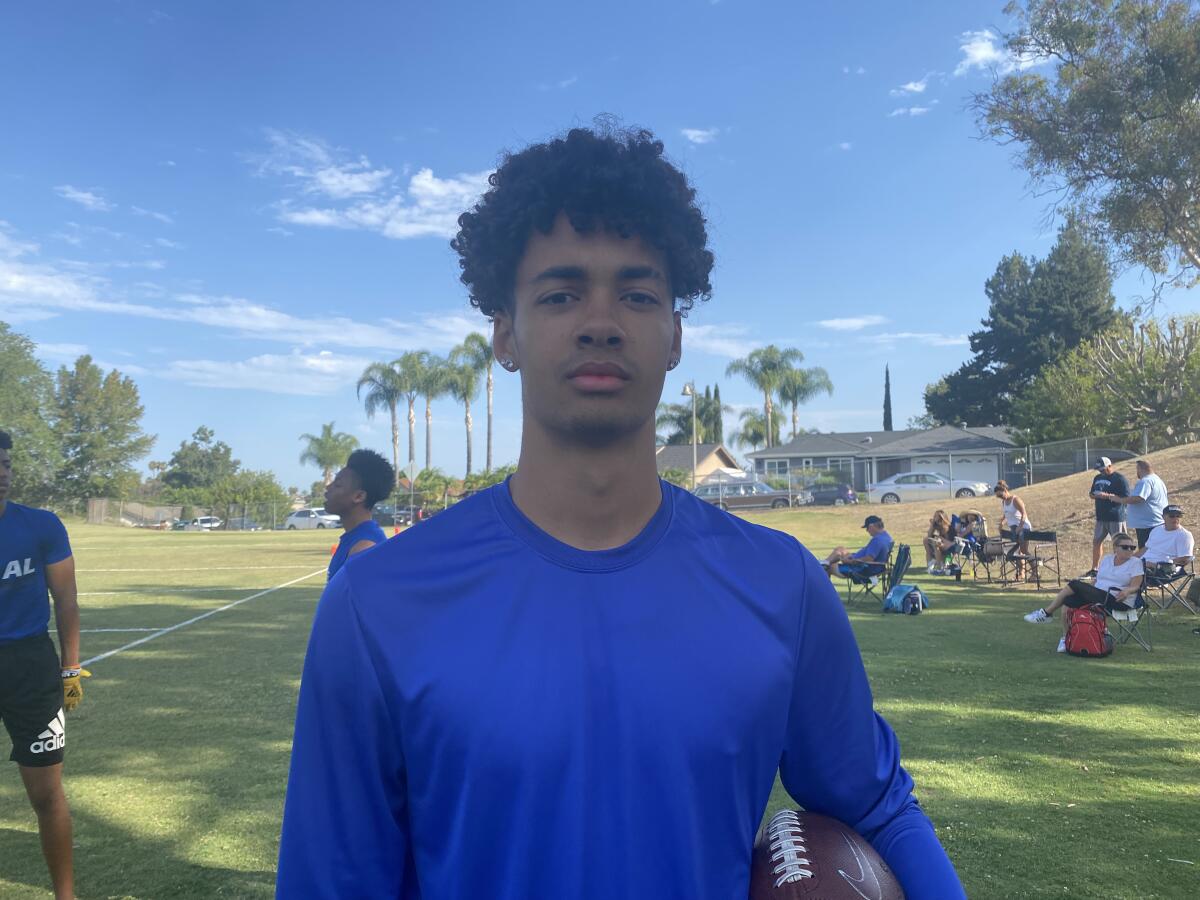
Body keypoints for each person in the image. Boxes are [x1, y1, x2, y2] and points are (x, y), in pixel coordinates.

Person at [276, 125, 963, 899]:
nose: (601, 320)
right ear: (505, 332)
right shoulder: (376, 603)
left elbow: (876, 802)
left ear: (674, 334)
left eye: (637, 294)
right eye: (562, 292)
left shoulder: (782, 587)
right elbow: (332, 880)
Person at [0, 430, 84, 900]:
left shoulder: (41, 525)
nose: (2, 473)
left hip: (31, 668)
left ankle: (64, 897)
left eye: (6, 463)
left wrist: (70, 670)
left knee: (47, 795)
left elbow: (66, 599)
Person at [1023, 534, 1143, 653]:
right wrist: (1086, 591)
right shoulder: (1107, 559)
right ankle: (1066, 639)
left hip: (1117, 599)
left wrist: (1127, 591)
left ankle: (1046, 613)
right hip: (1099, 595)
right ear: (1115, 548)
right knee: (1067, 602)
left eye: (1132, 548)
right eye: (1125, 547)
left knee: (1075, 584)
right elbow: (1098, 580)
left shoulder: (1135, 563)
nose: (1130, 550)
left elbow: (1136, 586)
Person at [322, 448, 394, 580]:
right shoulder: (354, 538)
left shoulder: (364, 547)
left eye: (337, 485)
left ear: (359, 496)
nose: (328, 487)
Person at [1107, 459, 1168, 548]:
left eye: (1137, 469)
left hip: (1148, 524)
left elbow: (1138, 498)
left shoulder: (1146, 481)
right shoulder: (1157, 479)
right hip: (1154, 522)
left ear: (1140, 469)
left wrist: (1118, 499)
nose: (1137, 472)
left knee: (1147, 551)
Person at [1087, 456, 1129, 576]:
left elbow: (1126, 498)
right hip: (1101, 517)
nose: (1101, 472)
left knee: (1119, 544)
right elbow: (1091, 494)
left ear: (1110, 466)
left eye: (1103, 469)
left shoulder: (1119, 479)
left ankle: (1121, 569)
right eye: (1099, 470)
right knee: (1096, 541)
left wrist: (1107, 496)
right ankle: (1095, 569)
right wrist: (1096, 495)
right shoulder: (1097, 478)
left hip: (1116, 516)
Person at [821, 514, 894, 579]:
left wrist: (851, 561)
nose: (867, 531)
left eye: (867, 528)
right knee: (840, 549)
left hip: (862, 569)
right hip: (870, 566)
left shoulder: (877, 540)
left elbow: (869, 559)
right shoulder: (887, 537)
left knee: (828, 568)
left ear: (871, 526)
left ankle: (824, 566)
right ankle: (825, 562)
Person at [1136, 505, 1194, 572]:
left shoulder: (1184, 535)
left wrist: (1158, 565)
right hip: (1143, 564)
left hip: (1160, 569)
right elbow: (1146, 548)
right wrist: (1130, 559)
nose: (1175, 519)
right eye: (1171, 516)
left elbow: (1185, 559)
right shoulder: (1157, 530)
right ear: (1163, 517)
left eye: (1178, 516)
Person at [993, 480, 1031, 579]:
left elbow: (1024, 514)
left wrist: (1020, 526)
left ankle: (1035, 572)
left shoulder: (1015, 500)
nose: (1000, 498)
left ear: (1005, 490)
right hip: (1014, 529)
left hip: (1024, 528)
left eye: (1001, 495)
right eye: (998, 497)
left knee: (1024, 551)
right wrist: (1002, 523)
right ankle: (1022, 573)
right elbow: (1007, 515)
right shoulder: (1004, 502)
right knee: (1017, 552)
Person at [923, 509, 955, 574]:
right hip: (942, 544)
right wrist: (932, 525)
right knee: (926, 540)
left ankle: (938, 566)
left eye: (936, 516)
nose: (934, 518)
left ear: (941, 517)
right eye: (934, 516)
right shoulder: (936, 525)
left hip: (949, 547)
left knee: (936, 544)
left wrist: (940, 539)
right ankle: (930, 563)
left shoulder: (948, 527)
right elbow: (929, 535)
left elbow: (949, 541)